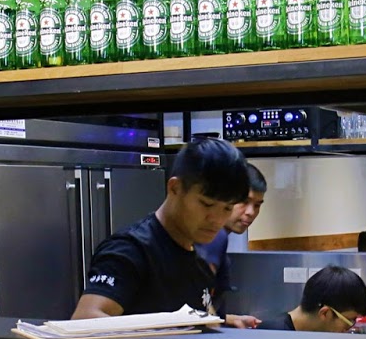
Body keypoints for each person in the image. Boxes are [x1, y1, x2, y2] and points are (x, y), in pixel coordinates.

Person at [72, 138, 260, 326]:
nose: (216, 220)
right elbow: (85, 319)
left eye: (227, 208)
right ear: (175, 188)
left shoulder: (198, 262)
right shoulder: (131, 250)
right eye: (207, 204)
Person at [195, 162, 267, 293]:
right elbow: (200, 298)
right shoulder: (213, 236)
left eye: (257, 205)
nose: (250, 212)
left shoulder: (218, 236)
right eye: (244, 202)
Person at [257, 265, 366, 332]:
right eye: (350, 320)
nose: (349, 328)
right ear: (325, 313)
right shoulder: (273, 335)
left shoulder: (309, 337)